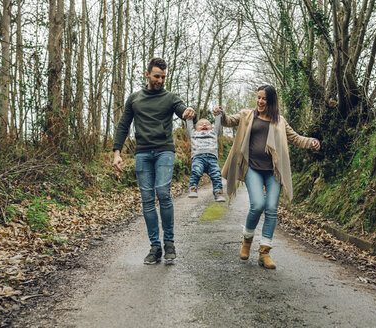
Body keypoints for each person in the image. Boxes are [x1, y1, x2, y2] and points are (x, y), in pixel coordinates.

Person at [214, 85, 320, 269]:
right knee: (258, 205)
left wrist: (311, 141)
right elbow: (228, 121)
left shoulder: (279, 121)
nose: (260, 101)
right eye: (258, 98)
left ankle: (265, 252)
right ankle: (247, 241)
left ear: (271, 101)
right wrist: (220, 114)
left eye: (264, 99)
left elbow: (295, 138)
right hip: (252, 168)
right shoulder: (247, 115)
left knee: (271, 208)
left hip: (273, 170)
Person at [113, 57, 196, 265]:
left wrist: (189, 113)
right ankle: (155, 247)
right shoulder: (134, 99)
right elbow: (123, 125)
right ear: (147, 74)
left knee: (163, 193)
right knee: (148, 200)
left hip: (164, 151)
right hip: (142, 153)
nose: (160, 80)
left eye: (163, 77)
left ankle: (169, 243)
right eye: (157, 76)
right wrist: (117, 153)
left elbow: (182, 110)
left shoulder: (170, 98)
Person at [186, 110, 226, 202]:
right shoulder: (193, 134)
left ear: (211, 127)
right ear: (196, 128)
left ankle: (218, 193)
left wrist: (218, 115)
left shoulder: (214, 133)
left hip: (212, 159)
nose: (204, 125)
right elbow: (189, 125)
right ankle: (193, 188)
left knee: (216, 175)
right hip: (198, 158)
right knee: (196, 171)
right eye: (201, 124)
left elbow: (218, 125)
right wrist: (189, 118)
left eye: (207, 124)